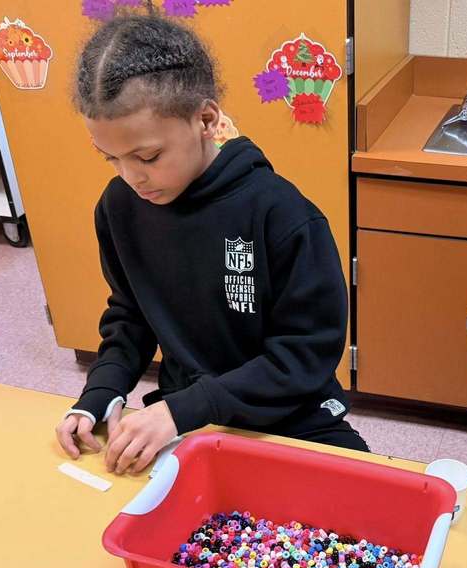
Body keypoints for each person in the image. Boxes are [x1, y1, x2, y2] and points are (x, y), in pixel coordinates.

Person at [55, 14, 366, 473]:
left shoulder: (282, 215)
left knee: (361, 509)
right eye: (110, 158)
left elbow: (305, 355)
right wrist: (102, 392)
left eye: (147, 156)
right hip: (188, 415)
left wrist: (187, 408)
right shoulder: (119, 206)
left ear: (206, 118)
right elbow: (130, 315)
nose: (130, 176)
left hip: (289, 413)